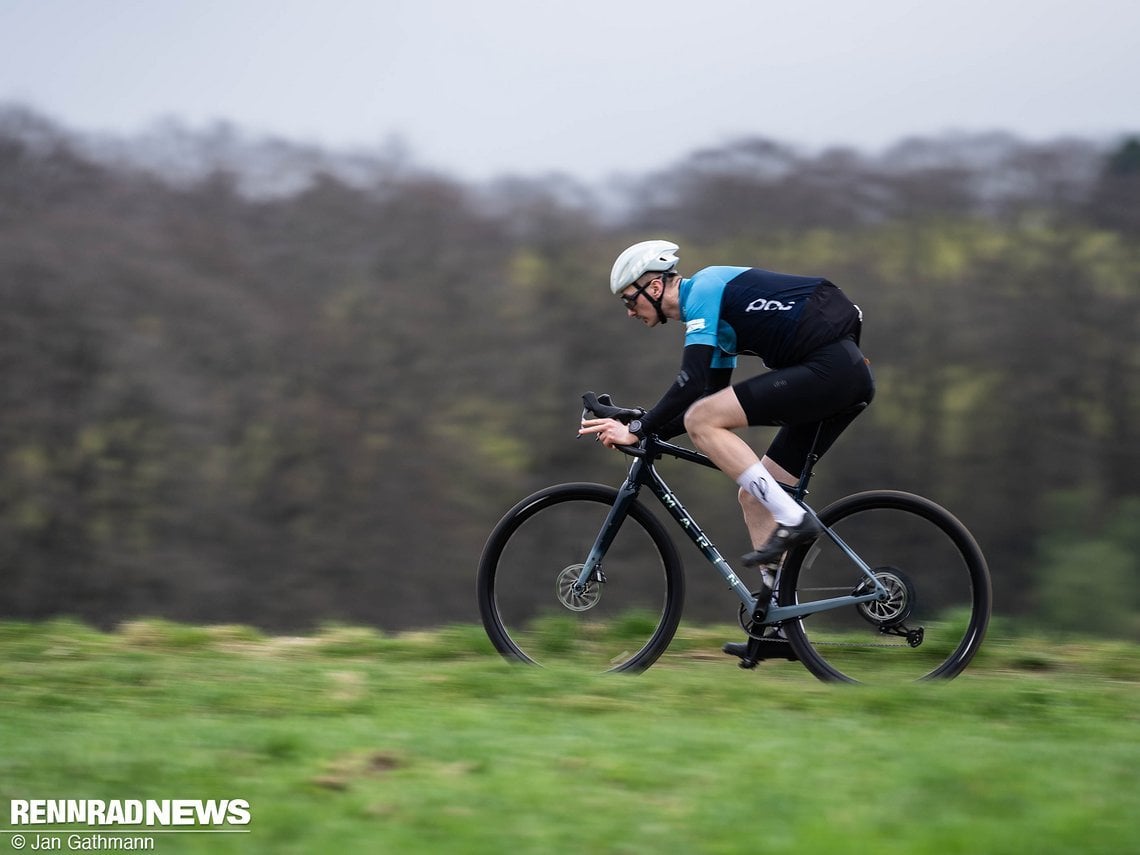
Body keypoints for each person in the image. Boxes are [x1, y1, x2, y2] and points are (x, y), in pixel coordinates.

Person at [578, 239, 875, 663]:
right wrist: (641, 426)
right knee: (754, 495)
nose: (629, 311)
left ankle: (792, 518)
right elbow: (702, 397)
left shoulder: (704, 291)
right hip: (836, 376)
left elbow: (692, 384)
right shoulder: (715, 322)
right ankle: (780, 627)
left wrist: (640, 428)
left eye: (630, 300)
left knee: (714, 430)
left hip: (831, 371)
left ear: (654, 288)